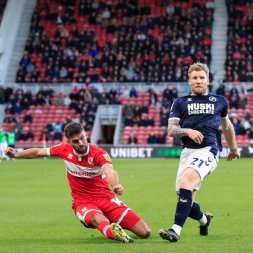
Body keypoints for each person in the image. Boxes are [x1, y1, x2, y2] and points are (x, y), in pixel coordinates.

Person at [4, 122, 150, 243]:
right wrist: (16, 154)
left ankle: (130, 224)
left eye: (82, 138)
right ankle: (116, 234)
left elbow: (109, 171)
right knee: (99, 218)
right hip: (83, 203)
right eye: (75, 141)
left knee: (145, 232)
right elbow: (37, 152)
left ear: (86, 134)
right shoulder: (63, 150)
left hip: (107, 199)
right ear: (69, 142)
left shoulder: (99, 153)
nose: (80, 143)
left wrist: (116, 185)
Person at [159, 63, 240, 242]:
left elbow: (227, 126)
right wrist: (187, 131)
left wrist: (233, 148)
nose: (198, 81)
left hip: (208, 150)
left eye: (202, 77)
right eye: (194, 78)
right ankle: (204, 220)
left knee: (186, 182)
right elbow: (171, 130)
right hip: (187, 152)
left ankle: (175, 230)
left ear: (208, 80)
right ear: (189, 81)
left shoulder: (219, 101)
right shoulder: (180, 102)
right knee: (183, 196)